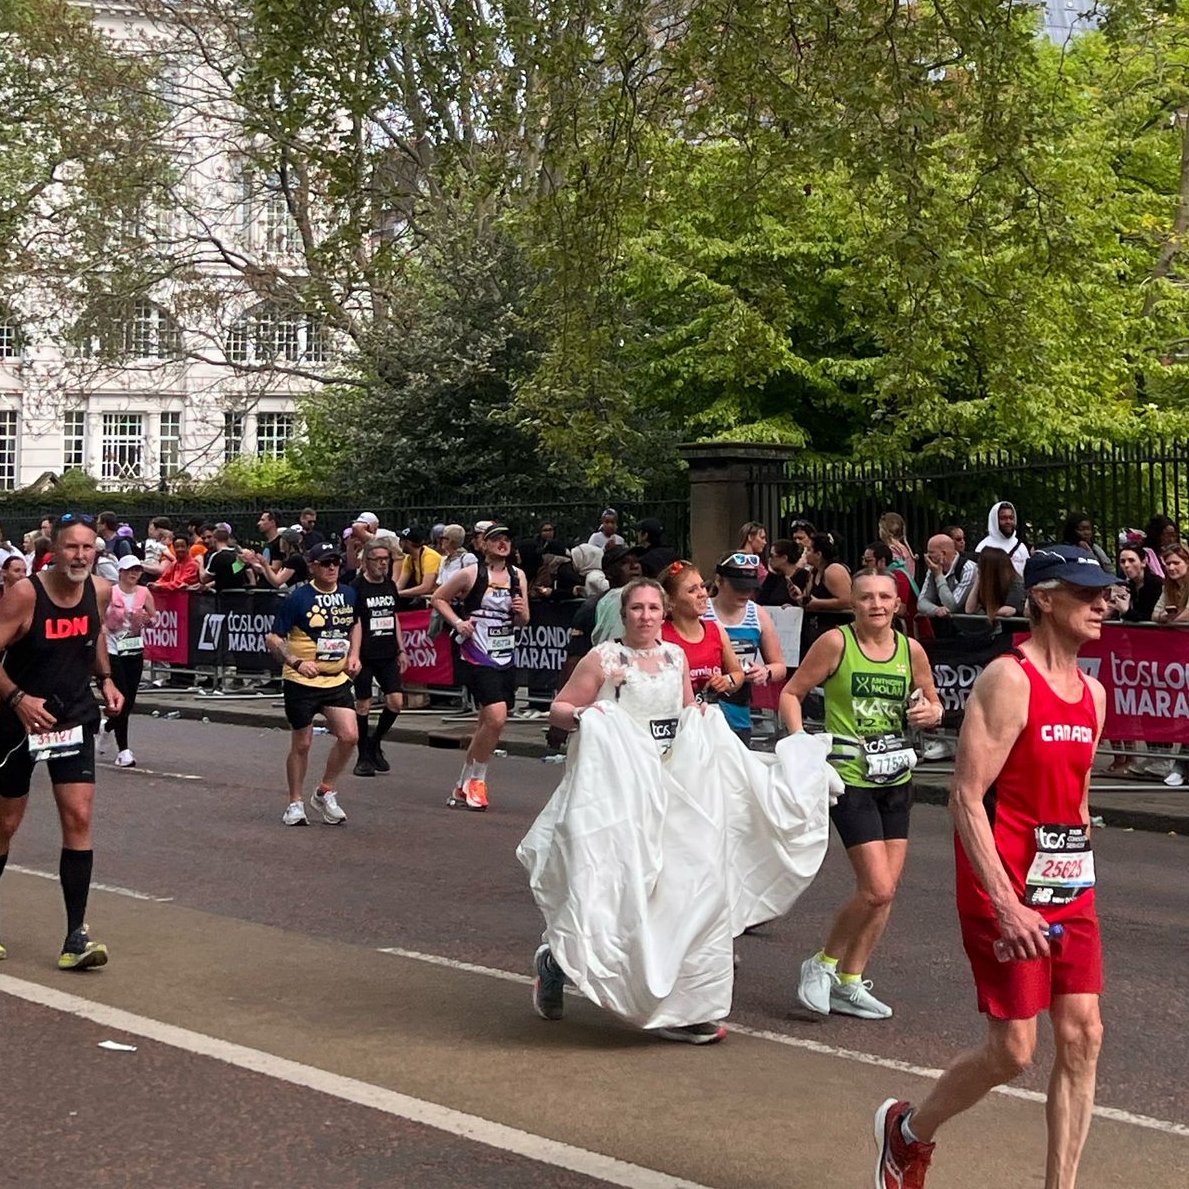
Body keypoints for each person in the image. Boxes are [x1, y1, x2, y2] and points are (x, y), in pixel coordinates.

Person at [874, 545, 1112, 1189]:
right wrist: (1006, 901)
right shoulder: (1009, 679)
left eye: (1106, 592)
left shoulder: (1092, 694)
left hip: (1066, 887)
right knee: (1014, 1052)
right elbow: (964, 796)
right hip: (1001, 884)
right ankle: (908, 1132)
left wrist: (1076, 866)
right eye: (1087, 593)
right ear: (1042, 598)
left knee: (1084, 1034)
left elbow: (1078, 797)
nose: (1103, 603)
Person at [529, 577, 726, 1044]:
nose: (645, 615)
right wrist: (587, 717)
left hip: (666, 789)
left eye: (653, 607)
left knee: (675, 891)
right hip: (614, 795)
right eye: (636, 607)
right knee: (609, 889)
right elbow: (559, 708)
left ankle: (680, 1004)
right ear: (624, 613)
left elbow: (679, 716)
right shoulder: (605, 659)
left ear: (664, 612)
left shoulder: (676, 656)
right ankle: (556, 961)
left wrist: (698, 720)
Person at [780, 568, 942, 1021]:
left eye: (884, 597)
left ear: (897, 604)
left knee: (885, 894)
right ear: (853, 603)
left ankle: (850, 982)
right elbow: (792, 694)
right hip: (850, 778)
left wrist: (929, 712)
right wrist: (803, 742)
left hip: (895, 779)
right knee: (876, 888)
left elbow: (933, 702)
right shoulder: (837, 644)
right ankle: (823, 963)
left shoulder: (911, 651)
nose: (875, 604)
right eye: (866, 597)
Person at [0, 512, 124, 969]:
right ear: (53, 550)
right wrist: (17, 699)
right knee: (5, 825)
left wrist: (107, 680)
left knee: (79, 815)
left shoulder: (101, 590)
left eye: (88, 548)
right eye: (71, 547)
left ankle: (76, 937)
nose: (80, 556)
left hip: (73, 718)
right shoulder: (25, 595)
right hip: (17, 724)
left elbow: (94, 636)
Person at [431, 525, 529, 811]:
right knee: (496, 717)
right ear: (483, 545)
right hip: (476, 651)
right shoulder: (471, 573)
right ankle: (478, 780)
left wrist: (521, 612)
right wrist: (458, 622)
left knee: (488, 722)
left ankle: (462, 785)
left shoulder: (517, 576)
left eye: (507, 539)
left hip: (504, 653)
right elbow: (438, 598)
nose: (503, 543)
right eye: (496, 539)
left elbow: (524, 621)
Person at [265, 541, 360, 827]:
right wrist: (295, 662)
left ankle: (325, 791)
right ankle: (295, 802)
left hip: (336, 679)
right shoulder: (298, 598)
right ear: (312, 566)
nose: (332, 567)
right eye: (325, 563)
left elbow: (355, 623)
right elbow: (273, 638)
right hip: (302, 681)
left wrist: (354, 655)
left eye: (336, 562)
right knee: (303, 743)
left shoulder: (348, 593)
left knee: (349, 736)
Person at [705, 553, 787, 747]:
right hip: (704, 707)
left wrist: (764, 672)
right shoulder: (702, 611)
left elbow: (779, 666)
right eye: (738, 587)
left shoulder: (757, 614)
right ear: (719, 581)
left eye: (750, 588)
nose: (745, 593)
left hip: (739, 711)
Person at [351, 541, 407, 777]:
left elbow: (394, 617)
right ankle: (363, 754)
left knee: (396, 702)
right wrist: (353, 655)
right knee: (363, 704)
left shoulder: (389, 585)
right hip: (365, 654)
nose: (383, 563)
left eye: (387, 559)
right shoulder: (356, 587)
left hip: (387, 653)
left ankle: (375, 742)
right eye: (378, 559)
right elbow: (355, 623)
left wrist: (402, 649)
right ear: (366, 562)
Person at [99, 555, 157, 768]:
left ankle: (107, 727)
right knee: (121, 696)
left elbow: (154, 617)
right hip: (112, 647)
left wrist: (146, 622)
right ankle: (123, 750)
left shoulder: (144, 592)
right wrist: (107, 629)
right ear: (120, 572)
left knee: (130, 700)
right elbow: (99, 619)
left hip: (132, 646)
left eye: (137, 571)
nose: (133, 574)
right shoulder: (110, 592)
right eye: (129, 570)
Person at [660, 561, 743, 698]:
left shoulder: (716, 629)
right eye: (692, 590)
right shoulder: (660, 634)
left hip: (710, 713)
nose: (703, 594)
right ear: (670, 601)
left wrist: (726, 681)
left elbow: (737, 673)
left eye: (703, 586)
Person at [796, 531, 852, 653]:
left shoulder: (833, 570)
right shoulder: (813, 572)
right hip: (814, 630)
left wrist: (819, 603)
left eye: (809, 550)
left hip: (834, 627)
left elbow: (847, 601)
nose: (806, 553)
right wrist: (798, 598)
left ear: (818, 554)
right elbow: (809, 599)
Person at [918, 533, 978, 627]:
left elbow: (952, 606)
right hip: (957, 630)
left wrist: (939, 576)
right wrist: (936, 610)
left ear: (943, 554)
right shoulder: (933, 570)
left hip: (981, 629)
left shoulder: (969, 569)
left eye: (931, 552)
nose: (927, 557)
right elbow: (922, 602)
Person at [964, 546, 1026, 627]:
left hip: (1017, 631)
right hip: (998, 631)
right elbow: (969, 609)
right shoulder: (988, 584)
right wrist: (978, 580)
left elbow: (1009, 610)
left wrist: (990, 613)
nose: (977, 566)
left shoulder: (1016, 582)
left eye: (981, 564)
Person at [242, 528, 308, 589]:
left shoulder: (295, 558)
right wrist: (262, 568)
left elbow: (278, 582)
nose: (279, 544)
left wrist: (265, 564)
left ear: (286, 542)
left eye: (281, 540)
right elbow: (274, 581)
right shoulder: (288, 558)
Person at [976, 501, 1029, 577]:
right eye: (1003, 518)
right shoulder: (983, 547)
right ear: (995, 520)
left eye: (1011, 518)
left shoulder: (1021, 547)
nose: (1008, 522)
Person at [1110, 545, 1161, 624]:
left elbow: (1151, 617)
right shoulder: (1127, 586)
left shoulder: (1156, 584)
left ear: (1143, 562)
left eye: (1131, 560)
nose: (1126, 565)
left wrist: (1126, 611)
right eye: (1123, 561)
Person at [395, 525, 443, 607]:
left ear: (408, 542)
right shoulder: (409, 558)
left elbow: (426, 587)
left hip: (437, 599)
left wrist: (398, 594)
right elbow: (400, 584)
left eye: (401, 540)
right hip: (424, 598)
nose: (399, 543)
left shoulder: (430, 557)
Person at [200, 527, 256, 592]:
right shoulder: (238, 554)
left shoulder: (217, 556)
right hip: (240, 595)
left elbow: (204, 579)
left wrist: (200, 562)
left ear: (215, 539)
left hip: (223, 596)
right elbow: (246, 571)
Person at [756, 539, 801, 606]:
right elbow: (760, 602)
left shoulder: (803, 576)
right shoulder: (774, 578)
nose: (769, 559)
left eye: (772, 555)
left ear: (784, 558)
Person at [1152, 543, 1189, 624]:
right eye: (1168, 564)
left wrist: (1171, 621)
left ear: (1187, 563)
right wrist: (1162, 616)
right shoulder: (1167, 587)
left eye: (1176, 563)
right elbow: (1154, 615)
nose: (1171, 568)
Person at [1141, 514, 1178, 578]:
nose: (1171, 539)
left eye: (1174, 535)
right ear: (1157, 535)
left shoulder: (1178, 555)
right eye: (1167, 535)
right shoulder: (1147, 555)